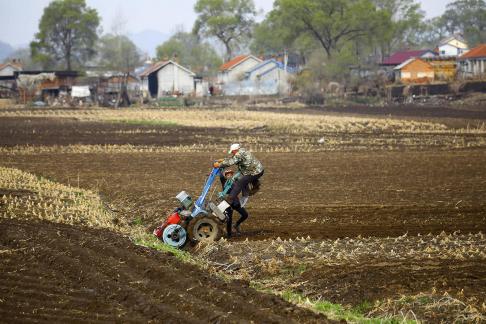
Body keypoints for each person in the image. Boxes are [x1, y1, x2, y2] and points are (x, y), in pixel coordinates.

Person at [219, 169, 248, 237]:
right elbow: (221, 176)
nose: (229, 176)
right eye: (227, 175)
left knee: (245, 215)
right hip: (228, 204)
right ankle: (229, 234)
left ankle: (236, 225)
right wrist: (221, 167)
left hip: (236, 203)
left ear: (232, 175)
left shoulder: (235, 181)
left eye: (230, 174)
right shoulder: (224, 182)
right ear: (226, 176)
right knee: (229, 219)